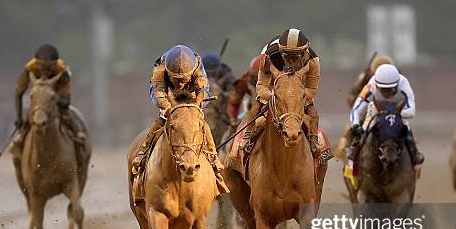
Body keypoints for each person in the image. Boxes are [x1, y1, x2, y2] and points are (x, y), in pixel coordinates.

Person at [131, 45, 229, 199]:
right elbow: (157, 91)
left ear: (191, 74)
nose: (179, 83)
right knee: (158, 125)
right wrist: (168, 107)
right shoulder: (160, 67)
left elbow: (204, 89)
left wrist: (196, 105)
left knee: (202, 125)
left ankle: (214, 163)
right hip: (169, 102)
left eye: (183, 80)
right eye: (175, 79)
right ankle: (142, 159)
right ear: (168, 74)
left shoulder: (197, 65)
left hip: (191, 102)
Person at [238, 28, 322, 156]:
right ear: (280, 52)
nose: (291, 61)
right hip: (274, 84)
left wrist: (296, 97)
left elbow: (311, 89)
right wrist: (275, 97)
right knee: (256, 108)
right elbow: (261, 86)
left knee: (313, 113)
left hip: (298, 87)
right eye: (287, 56)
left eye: (295, 57)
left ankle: (314, 140)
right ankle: (247, 137)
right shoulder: (267, 57)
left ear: (304, 53)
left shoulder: (313, 61)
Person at [9, 44, 87, 159]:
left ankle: (77, 132)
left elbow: (66, 100)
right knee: (30, 118)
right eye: (42, 67)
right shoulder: (29, 69)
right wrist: (19, 117)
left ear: (55, 64)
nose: (46, 70)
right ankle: (20, 143)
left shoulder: (63, 70)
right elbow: (18, 94)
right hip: (38, 97)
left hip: (56, 96)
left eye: (49, 67)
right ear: (37, 64)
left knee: (67, 114)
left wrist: (55, 100)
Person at [346, 63, 424, 165]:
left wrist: (394, 113)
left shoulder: (404, 83)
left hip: (397, 110)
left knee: (405, 127)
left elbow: (411, 111)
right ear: (377, 86)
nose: (387, 93)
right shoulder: (371, 86)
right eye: (383, 90)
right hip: (377, 109)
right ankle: (356, 148)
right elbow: (356, 110)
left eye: (390, 89)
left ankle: (414, 151)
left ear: (397, 85)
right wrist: (355, 125)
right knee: (365, 127)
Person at [227, 54, 263, 132]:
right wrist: (233, 120)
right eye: (254, 76)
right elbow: (233, 103)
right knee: (229, 136)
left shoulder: (277, 81)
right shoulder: (244, 81)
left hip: (271, 115)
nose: (256, 79)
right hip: (249, 115)